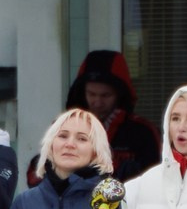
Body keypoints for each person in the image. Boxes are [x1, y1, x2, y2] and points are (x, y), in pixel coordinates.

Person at [65, 49, 158, 180]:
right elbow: (36, 178)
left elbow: (157, 182)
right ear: (82, 93)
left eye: (105, 95)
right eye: (91, 94)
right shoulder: (64, 128)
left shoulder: (142, 132)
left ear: (120, 95)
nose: (97, 102)